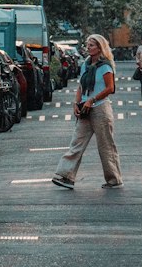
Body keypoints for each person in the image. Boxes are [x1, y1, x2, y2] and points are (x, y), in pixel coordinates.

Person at [51, 34, 123, 190]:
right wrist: (76, 103)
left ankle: (114, 179)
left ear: (99, 47)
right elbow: (81, 87)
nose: (88, 47)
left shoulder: (105, 66)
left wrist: (93, 100)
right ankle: (66, 175)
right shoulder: (85, 64)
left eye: (91, 45)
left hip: (100, 108)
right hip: (85, 108)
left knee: (106, 145)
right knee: (77, 142)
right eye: (87, 45)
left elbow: (110, 88)